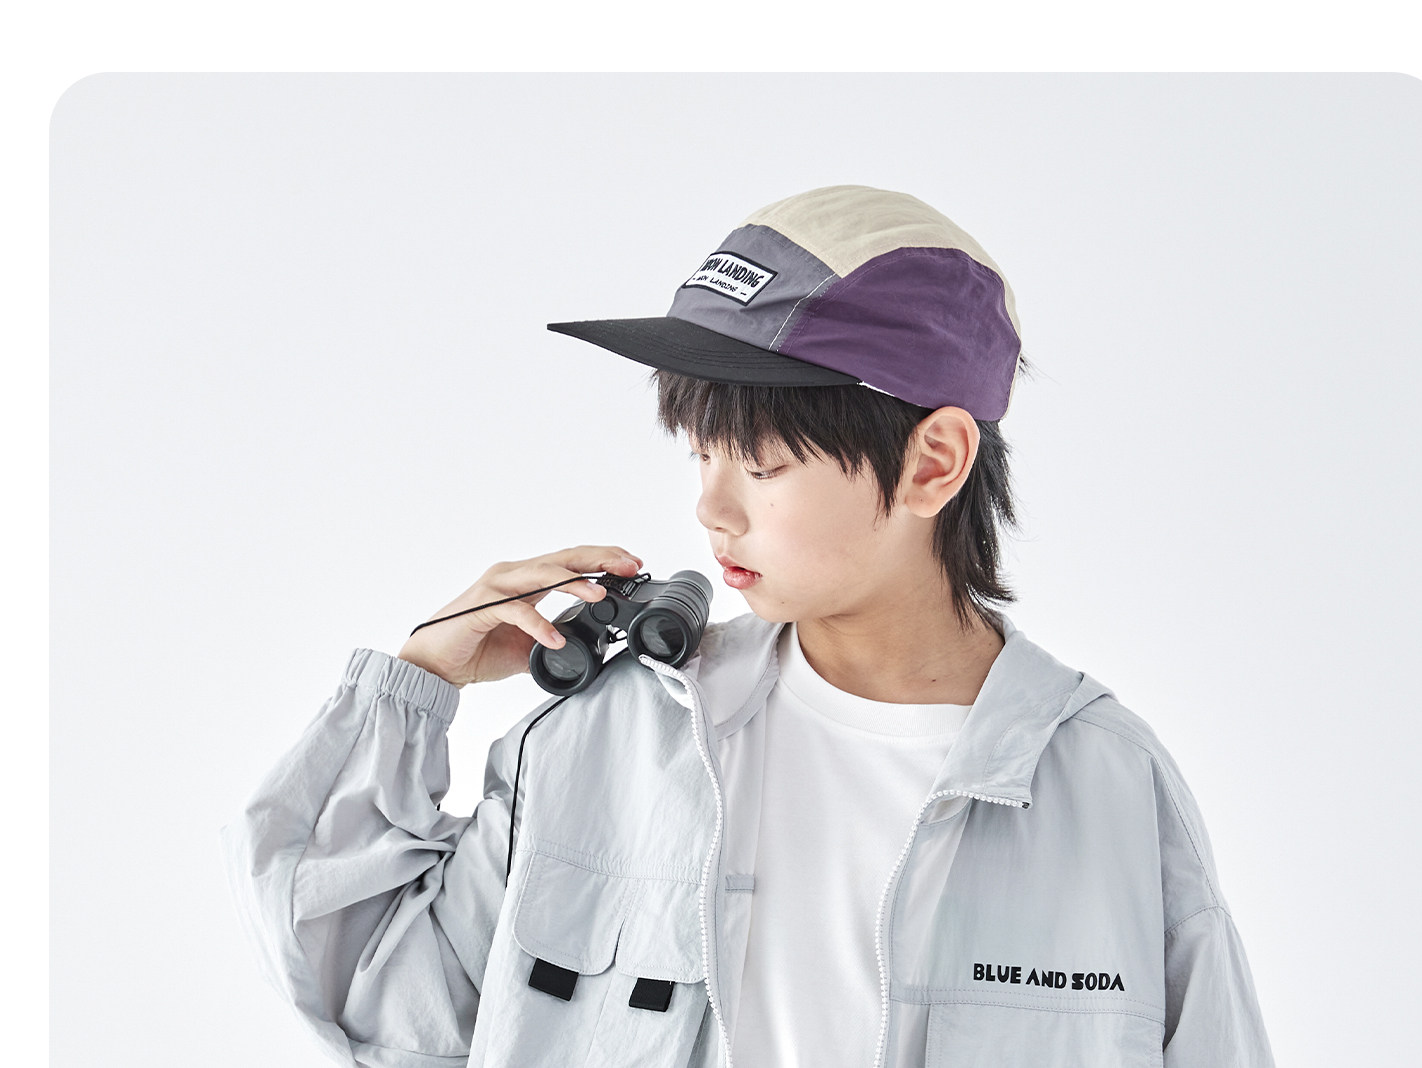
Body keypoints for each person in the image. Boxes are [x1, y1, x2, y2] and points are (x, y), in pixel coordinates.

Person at [221, 184, 1275, 1067]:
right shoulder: (612, 735)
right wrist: (416, 686)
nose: (712, 509)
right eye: (700, 452)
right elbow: (370, 991)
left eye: (762, 464)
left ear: (934, 462)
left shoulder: (1108, 788)